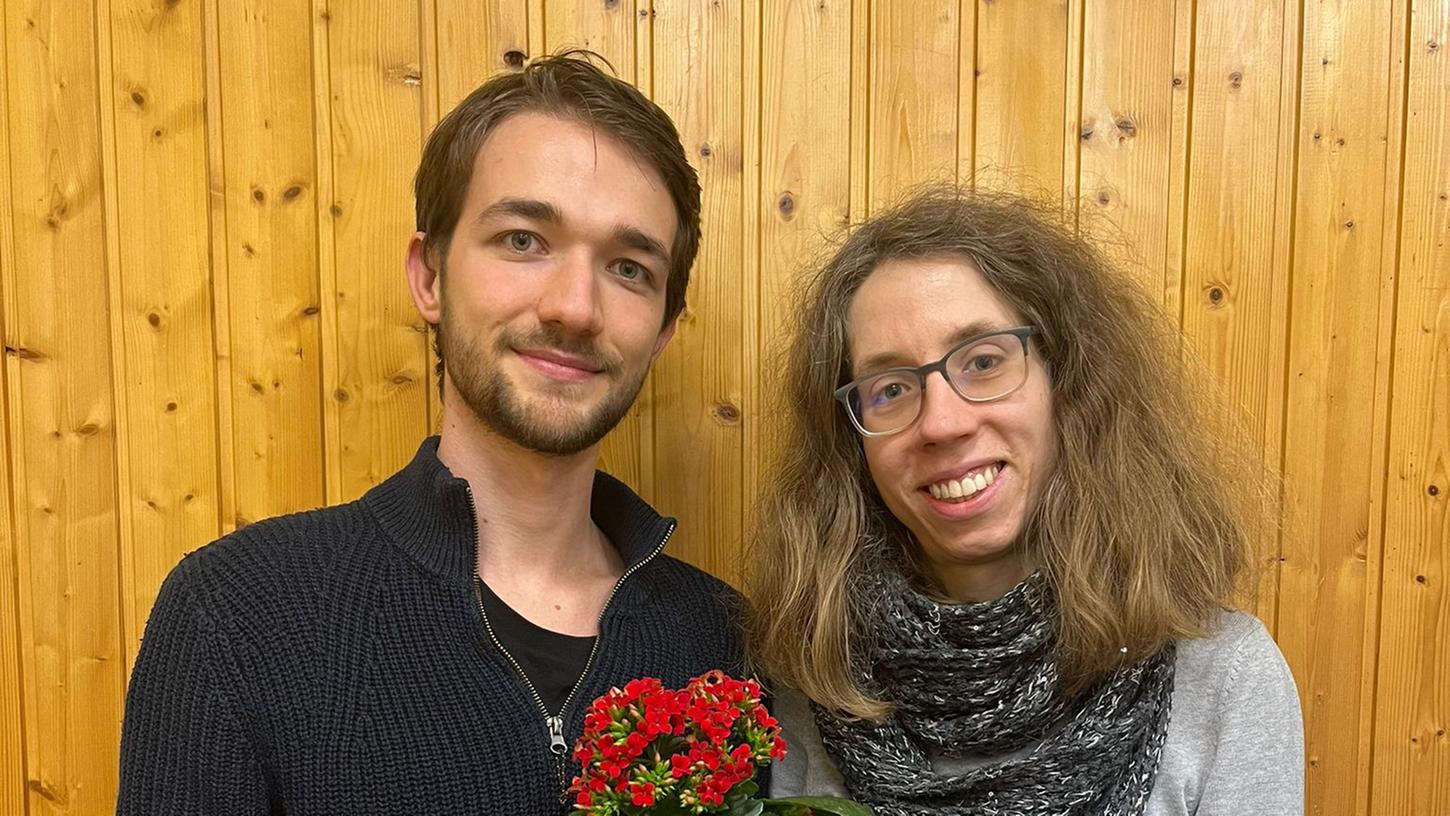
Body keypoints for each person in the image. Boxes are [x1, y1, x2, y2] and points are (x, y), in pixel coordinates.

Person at [117, 52, 745, 815]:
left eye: (628, 268)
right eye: (523, 239)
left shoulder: (725, 642)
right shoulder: (238, 616)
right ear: (429, 276)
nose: (575, 307)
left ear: (664, 333)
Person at [748, 187, 1304, 815]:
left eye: (983, 360)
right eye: (890, 388)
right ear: (853, 444)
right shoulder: (821, 683)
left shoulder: (1222, 678)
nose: (942, 424)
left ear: (1066, 382)